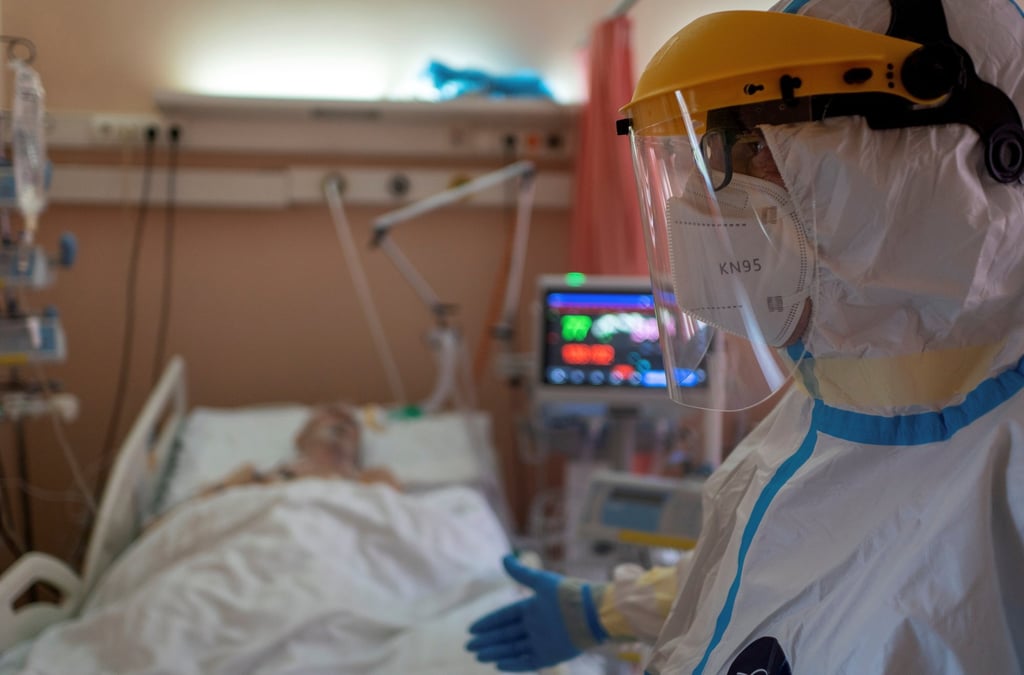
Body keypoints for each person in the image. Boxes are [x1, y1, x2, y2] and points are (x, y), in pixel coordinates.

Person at [466, 0, 1024, 672]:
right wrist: (607, 611)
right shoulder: (832, 403)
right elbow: (788, 572)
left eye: (759, 147)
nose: (709, 206)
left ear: (959, 159)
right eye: (713, 151)